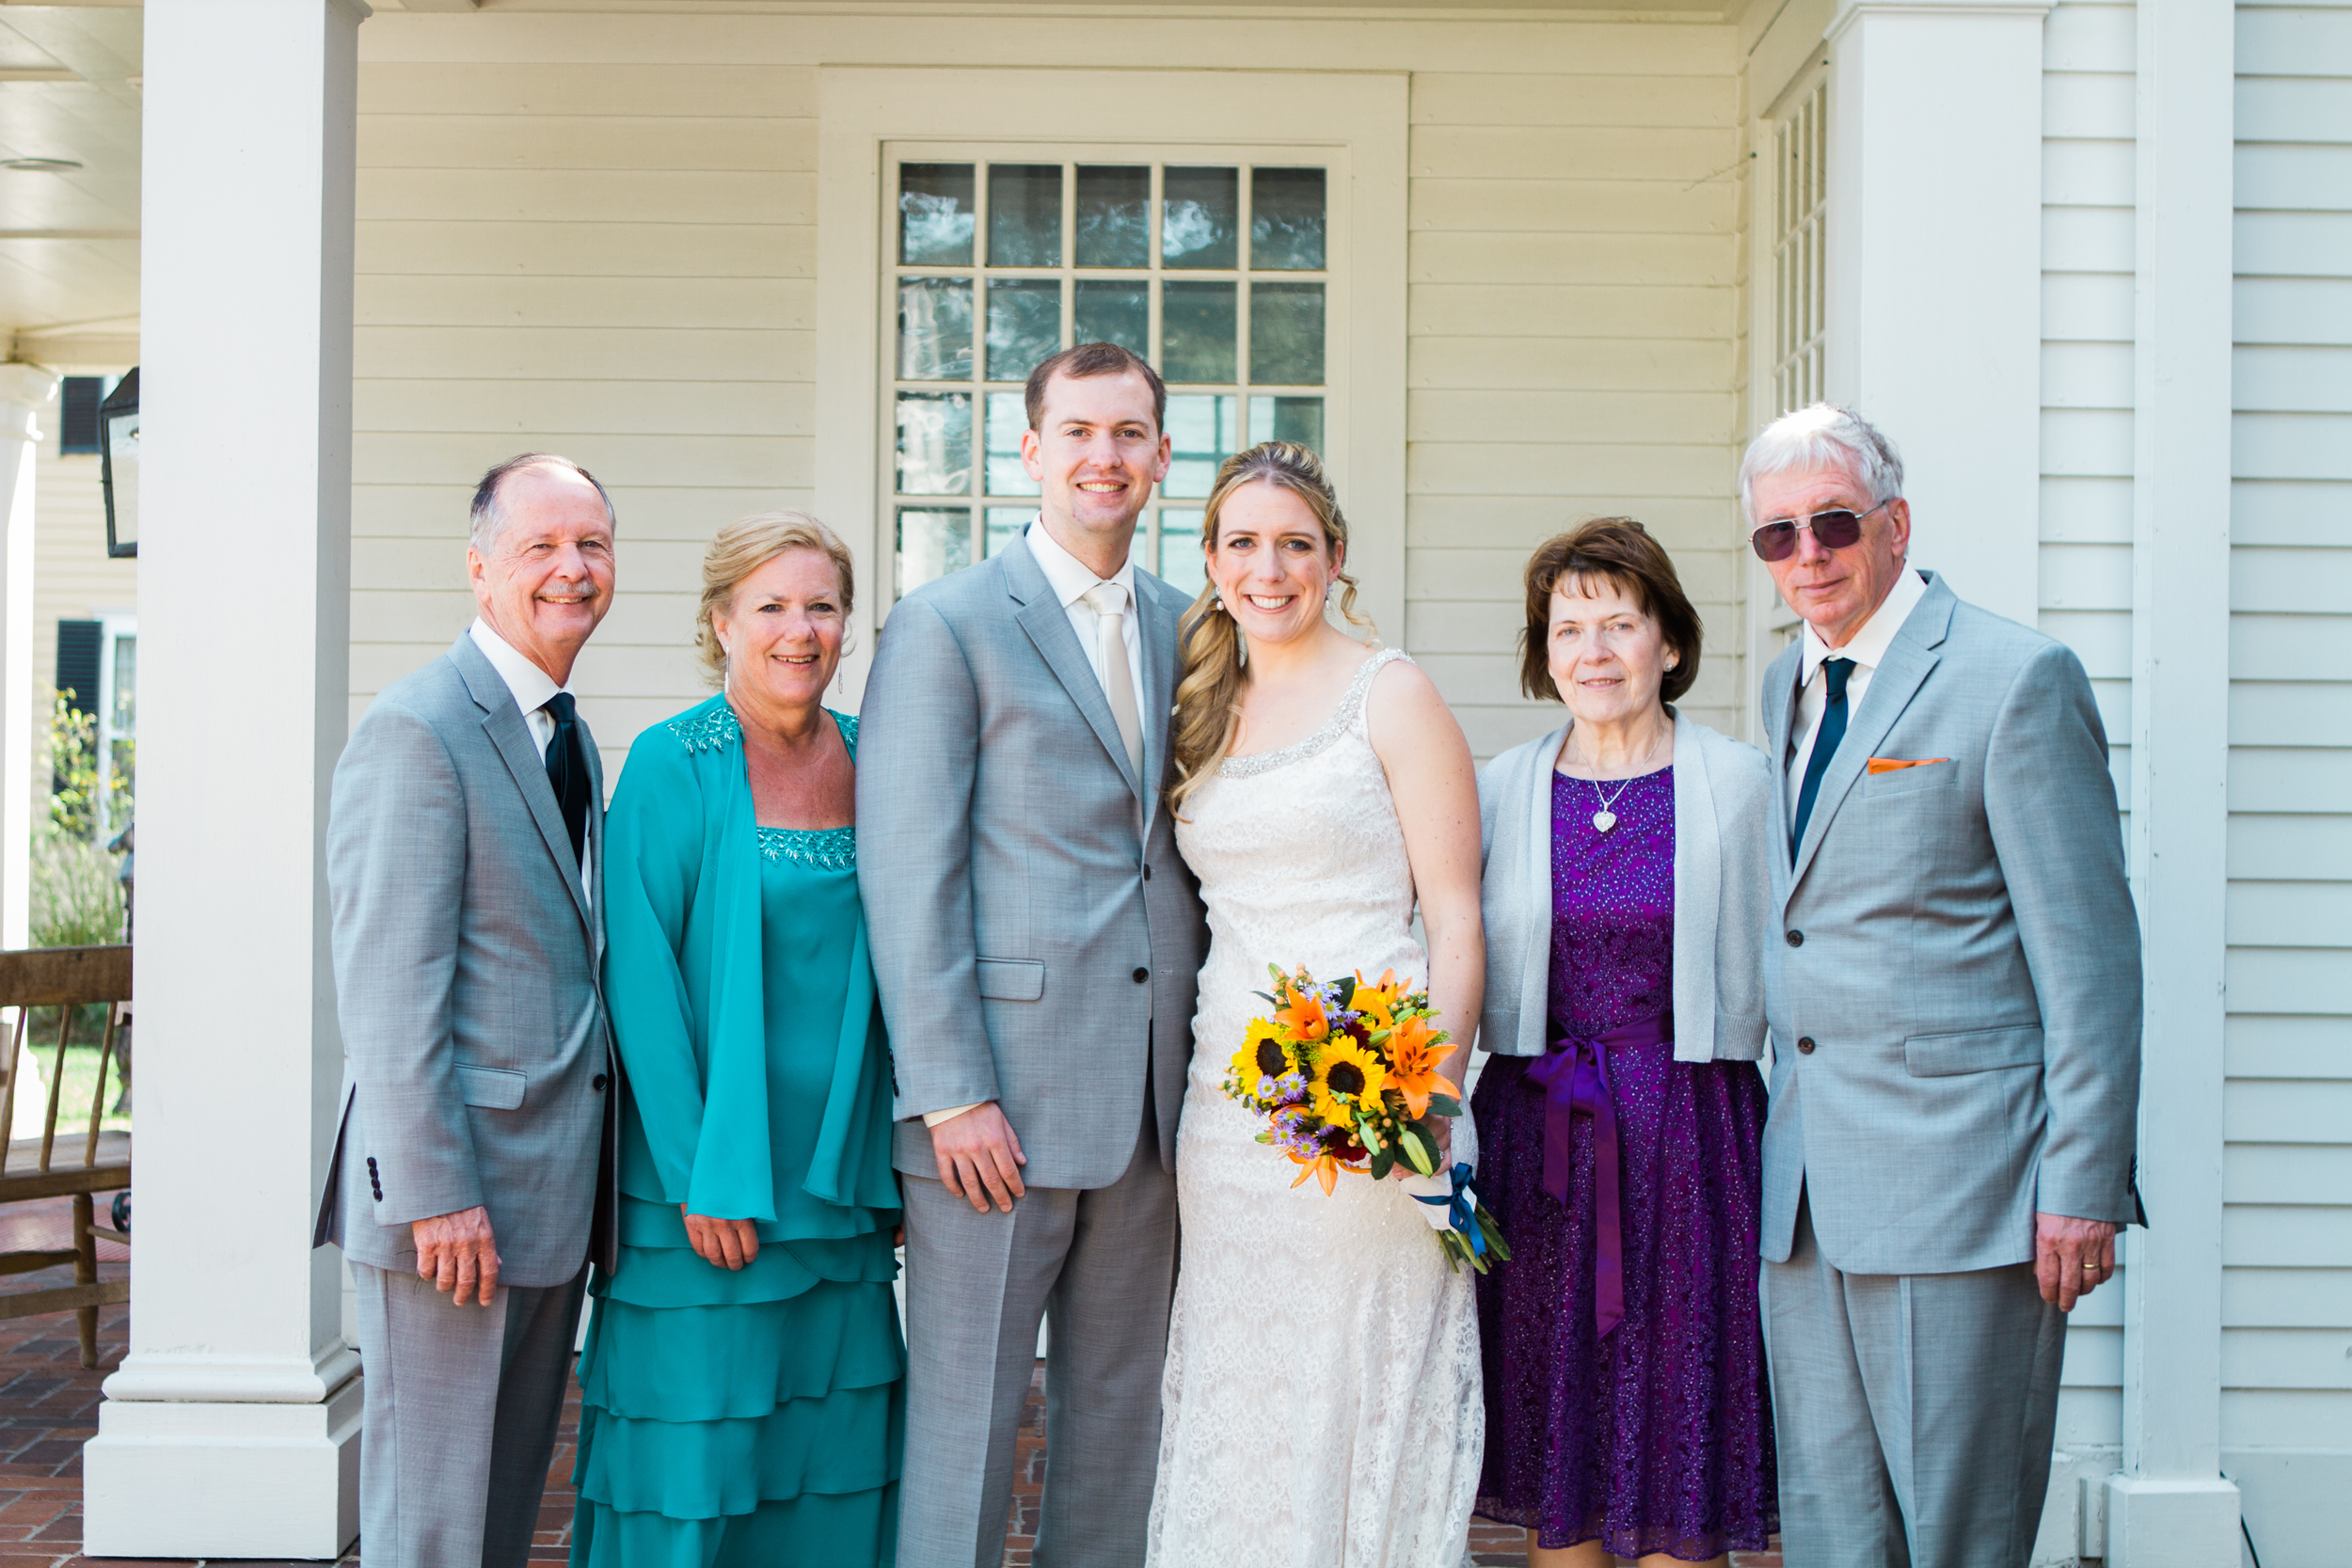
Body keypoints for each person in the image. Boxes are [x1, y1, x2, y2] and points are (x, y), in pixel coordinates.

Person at [1748, 404, 2141, 1568]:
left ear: (1893, 522)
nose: (1807, 553)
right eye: (1777, 535)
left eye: (1830, 522)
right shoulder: (1783, 687)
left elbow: (2091, 958)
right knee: (1831, 1529)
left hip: (1968, 1190)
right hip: (1808, 1194)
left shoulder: (2015, 677)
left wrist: (2083, 1180)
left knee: (1956, 1537)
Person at [859, 342, 1209, 1568]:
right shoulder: (946, 625)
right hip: (990, 1108)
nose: (1103, 456)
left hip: (1157, 1108)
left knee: (1120, 1425)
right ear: (1031, 450)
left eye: (1128, 433)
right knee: (967, 1429)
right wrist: (951, 1091)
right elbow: (909, 874)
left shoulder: (1195, 626)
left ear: (1162, 456)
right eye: (1078, 431)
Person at [1145, 441, 1486, 1567]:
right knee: (1246, 1377)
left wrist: (1431, 1093)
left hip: (1376, 1097)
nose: (1269, 566)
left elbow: (1454, 912)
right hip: (1228, 1106)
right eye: (1242, 542)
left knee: (1351, 1371)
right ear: (1209, 558)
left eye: (1294, 543)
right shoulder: (1197, 701)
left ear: (1334, 556)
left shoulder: (1390, 690)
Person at [573, 514, 903, 1564]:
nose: (797, 630)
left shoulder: (876, 755)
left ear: (848, 625)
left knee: (831, 1463)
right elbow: (641, 982)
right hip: (709, 1187)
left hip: (839, 1189)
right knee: (695, 1473)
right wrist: (695, 1174)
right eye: (771, 606)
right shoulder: (673, 762)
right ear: (721, 622)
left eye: (821, 605)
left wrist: (888, 1168)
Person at [314, 452, 620, 1568]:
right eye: (540, 545)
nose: (570, 569)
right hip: (457, 1198)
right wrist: (438, 1195)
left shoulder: (564, 730)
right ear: (479, 566)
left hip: (544, 1190)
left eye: (590, 543)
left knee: (495, 1509)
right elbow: (389, 993)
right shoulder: (420, 731)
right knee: (432, 1521)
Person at [1469, 518, 1779, 1567]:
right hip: (1537, 1145)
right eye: (1567, 629)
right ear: (1542, 651)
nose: (1592, 652)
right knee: (1567, 1444)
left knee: (1678, 1427)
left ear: (1670, 643)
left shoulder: (1741, 783)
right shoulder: (1497, 788)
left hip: (1692, 1142)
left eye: (1618, 624)